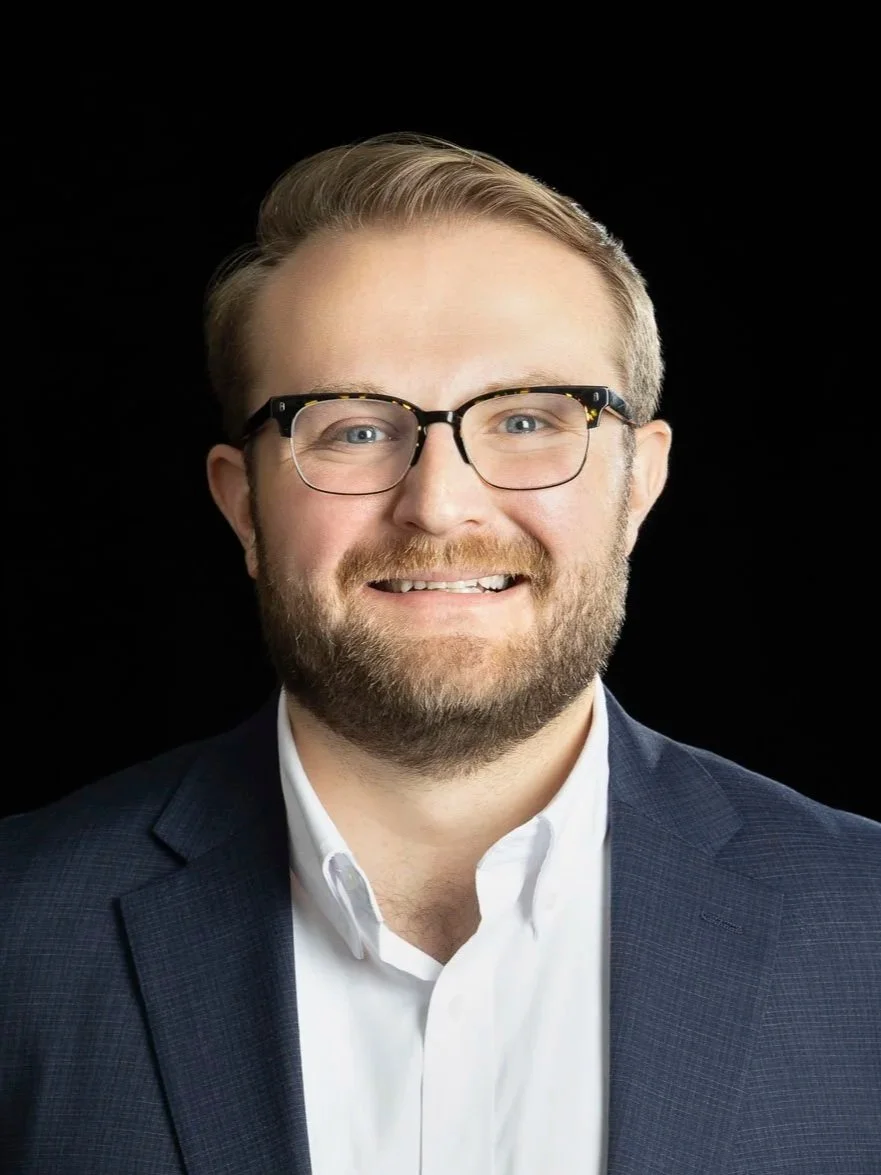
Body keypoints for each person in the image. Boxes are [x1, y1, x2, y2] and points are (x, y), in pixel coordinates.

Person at [2, 133, 878, 1175]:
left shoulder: (864, 924)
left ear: (636, 484)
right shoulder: (20, 930)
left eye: (524, 418)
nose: (438, 504)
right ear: (243, 504)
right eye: (352, 430)